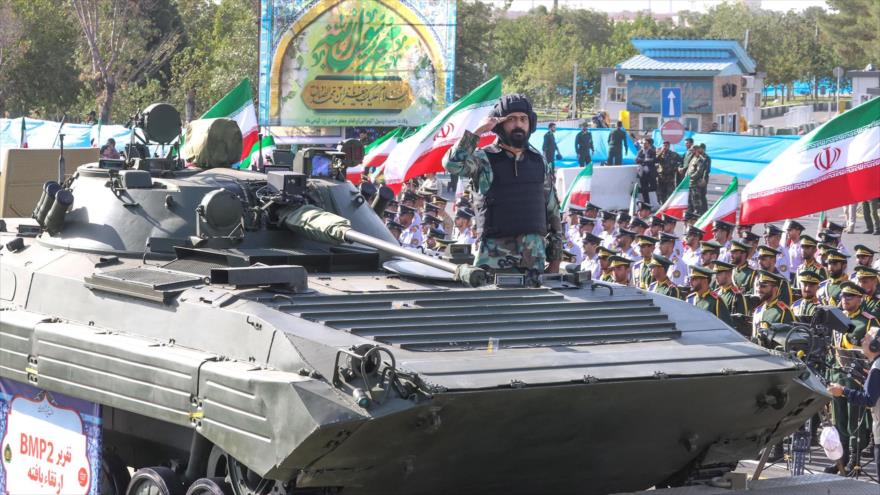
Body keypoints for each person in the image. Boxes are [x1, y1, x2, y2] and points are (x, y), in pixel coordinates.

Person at [443, 93, 563, 279]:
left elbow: (553, 212)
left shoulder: (539, 161)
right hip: (493, 263)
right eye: (511, 119)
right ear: (499, 124)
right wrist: (478, 131)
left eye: (523, 119)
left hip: (534, 264)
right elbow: (452, 164)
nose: (518, 124)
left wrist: (555, 260)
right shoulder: (484, 159)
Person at [829, 282, 878, 474]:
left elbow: (875, 348)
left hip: (857, 378)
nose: (845, 299)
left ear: (860, 299)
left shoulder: (868, 321)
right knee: (839, 420)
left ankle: (854, 461)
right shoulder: (837, 319)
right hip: (838, 375)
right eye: (843, 296)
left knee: (854, 421)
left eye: (850, 296)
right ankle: (841, 460)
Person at [827, 325, 880, 481]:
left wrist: (843, 391)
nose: (862, 340)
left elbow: (868, 399)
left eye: (867, 338)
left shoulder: (877, 368)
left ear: (875, 345)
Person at [751, 270, 795, 338]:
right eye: (758, 285)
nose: (758, 289)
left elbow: (789, 341)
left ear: (775, 289)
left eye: (763, 286)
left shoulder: (783, 312)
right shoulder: (758, 310)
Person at [712, 261, 750, 336]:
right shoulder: (716, 293)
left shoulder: (737, 296)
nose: (716, 276)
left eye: (719, 273)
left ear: (729, 274)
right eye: (715, 273)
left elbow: (740, 324)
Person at [685, 144, 710, 215]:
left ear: (696, 150)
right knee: (690, 201)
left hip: (695, 183)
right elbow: (689, 169)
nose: (691, 152)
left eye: (692, 150)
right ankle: (691, 214)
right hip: (690, 183)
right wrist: (686, 176)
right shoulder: (693, 158)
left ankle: (698, 215)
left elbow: (699, 172)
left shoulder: (700, 159)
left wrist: (691, 177)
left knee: (697, 201)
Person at [635, 137, 657, 204]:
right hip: (643, 173)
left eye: (645, 143)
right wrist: (645, 160)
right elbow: (636, 160)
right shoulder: (640, 151)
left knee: (653, 188)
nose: (644, 145)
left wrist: (643, 160)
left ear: (649, 144)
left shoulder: (652, 151)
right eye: (643, 143)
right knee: (644, 190)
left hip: (650, 173)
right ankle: (647, 204)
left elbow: (653, 160)